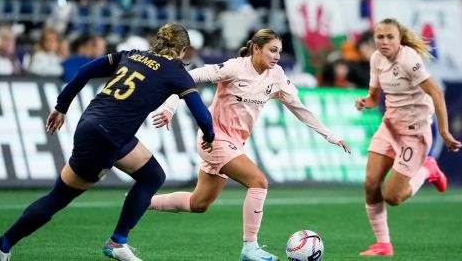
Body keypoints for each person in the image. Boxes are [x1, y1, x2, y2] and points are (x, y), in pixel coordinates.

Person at [0, 23, 215, 261]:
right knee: (59, 197)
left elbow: (85, 70)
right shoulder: (177, 72)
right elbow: (202, 115)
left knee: (153, 175)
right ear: (183, 50)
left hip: (94, 126)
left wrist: (61, 107)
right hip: (107, 139)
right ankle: (3, 244)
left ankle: (118, 241)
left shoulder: (131, 54)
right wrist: (209, 137)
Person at [149, 28, 351, 261]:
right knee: (258, 181)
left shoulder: (276, 76)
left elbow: (298, 107)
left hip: (234, 143)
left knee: (199, 203)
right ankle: (250, 247)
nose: (276, 56)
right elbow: (188, 77)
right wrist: (169, 107)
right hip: (213, 138)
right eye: (272, 50)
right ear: (256, 48)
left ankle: (142, 201)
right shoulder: (235, 67)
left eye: (280, 52)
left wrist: (329, 135)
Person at [355, 18, 461, 256]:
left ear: (399, 38)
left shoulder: (408, 59)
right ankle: (384, 244)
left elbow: (436, 93)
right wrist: (365, 102)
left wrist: (444, 131)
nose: (384, 42)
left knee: (392, 197)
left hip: (414, 134)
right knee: (371, 183)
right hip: (389, 128)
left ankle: (429, 169)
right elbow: (374, 97)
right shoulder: (376, 60)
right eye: (379, 37)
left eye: (390, 37)